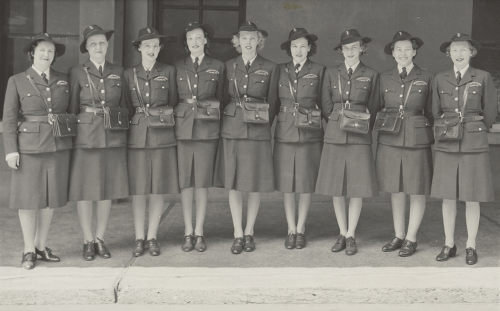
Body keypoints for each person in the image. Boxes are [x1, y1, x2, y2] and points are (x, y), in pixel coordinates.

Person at [3, 33, 70, 269]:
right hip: (29, 147)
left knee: (49, 199)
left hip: (57, 146)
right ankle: (28, 249)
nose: (46, 55)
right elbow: (9, 119)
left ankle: (41, 245)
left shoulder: (63, 79)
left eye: (51, 51)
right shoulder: (18, 80)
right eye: (42, 50)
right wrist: (11, 151)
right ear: (32, 53)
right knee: (28, 200)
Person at [431, 33, 497, 265]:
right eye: (454, 50)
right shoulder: (440, 78)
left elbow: (489, 112)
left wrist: (473, 128)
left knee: (472, 196)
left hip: (473, 142)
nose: (458, 54)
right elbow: (435, 111)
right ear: (449, 54)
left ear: (471, 53)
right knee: (448, 196)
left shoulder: (483, 77)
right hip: (448, 141)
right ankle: (449, 243)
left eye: (463, 50)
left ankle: (471, 244)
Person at [214, 21, 279, 254]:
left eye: (253, 38)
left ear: (259, 42)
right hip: (232, 128)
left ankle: (249, 231)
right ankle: (237, 232)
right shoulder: (228, 66)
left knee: (254, 183)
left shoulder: (270, 67)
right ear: (237, 41)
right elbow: (222, 98)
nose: (248, 42)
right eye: (244, 38)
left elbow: (273, 103)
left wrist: (262, 125)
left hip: (258, 130)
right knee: (234, 183)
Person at [68, 25, 129, 261]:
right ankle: (87, 239)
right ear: (86, 47)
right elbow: (72, 108)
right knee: (85, 192)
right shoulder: (76, 72)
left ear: (107, 45)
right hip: (85, 137)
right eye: (93, 44)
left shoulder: (118, 71)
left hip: (112, 137)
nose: (98, 47)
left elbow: (124, 105)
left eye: (102, 43)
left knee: (106, 191)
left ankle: (101, 238)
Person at [316, 29, 380, 256]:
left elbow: (373, 106)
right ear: (341, 50)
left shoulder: (371, 74)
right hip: (335, 133)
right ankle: (342, 232)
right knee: (336, 187)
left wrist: (359, 124)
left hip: (359, 135)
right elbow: (325, 105)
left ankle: (352, 233)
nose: (350, 51)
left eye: (355, 47)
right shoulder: (331, 73)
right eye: (346, 47)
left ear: (362, 48)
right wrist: (337, 121)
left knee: (356, 188)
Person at [376, 31, 434, 257]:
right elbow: (376, 106)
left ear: (415, 51)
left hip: (417, 138)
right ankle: (399, 234)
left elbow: (431, 111)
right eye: (398, 49)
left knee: (417, 188)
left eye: (407, 49)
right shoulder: (384, 77)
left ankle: (411, 238)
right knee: (396, 187)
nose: (403, 53)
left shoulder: (427, 77)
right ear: (392, 53)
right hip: (391, 137)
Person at [123, 27, 180, 257]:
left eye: (156, 45)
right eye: (147, 45)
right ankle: (139, 237)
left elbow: (173, 101)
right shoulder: (129, 74)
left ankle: (153, 236)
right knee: (138, 190)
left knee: (158, 188)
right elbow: (127, 106)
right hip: (137, 135)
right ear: (139, 48)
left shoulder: (169, 71)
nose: (152, 49)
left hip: (162, 135)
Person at [174, 22, 225, 252]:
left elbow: (222, 97)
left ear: (206, 40)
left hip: (206, 129)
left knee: (202, 183)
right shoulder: (177, 67)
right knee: (186, 183)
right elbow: (174, 98)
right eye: (190, 38)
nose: (194, 42)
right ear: (186, 43)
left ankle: (200, 231)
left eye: (198, 37)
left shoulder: (218, 66)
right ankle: (187, 231)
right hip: (184, 129)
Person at [274, 28, 325, 249]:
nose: (299, 50)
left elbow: (324, 104)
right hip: (285, 131)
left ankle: (301, 228)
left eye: (303, 46)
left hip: (309, 132)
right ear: (289, 49)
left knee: (305, 183)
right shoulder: (280, 70)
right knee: (287, 184)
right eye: (294, 46)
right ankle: (290, 228)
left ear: (309, 48)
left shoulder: (319, 70)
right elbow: (273, 102)